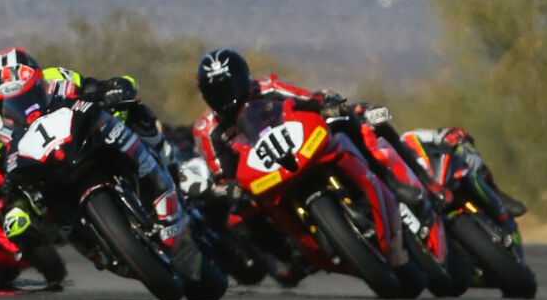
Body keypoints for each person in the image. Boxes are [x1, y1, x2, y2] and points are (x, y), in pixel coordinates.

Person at [0, 47, 184, 249]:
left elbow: (95, 87)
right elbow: (6, 177)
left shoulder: (57, 77)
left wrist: (115, 88)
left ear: (37, 79)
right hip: (40, 170)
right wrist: (18, 209)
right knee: (23, 217)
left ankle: (168, 160)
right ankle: (84, 240)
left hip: (81, 138)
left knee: (132, 110)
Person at [188, 47, 439, 209]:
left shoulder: (267, 86)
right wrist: (225, 190)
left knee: (353, 118)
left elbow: (308, 100)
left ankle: (391, 180)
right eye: (218, 91)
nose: (229, 96)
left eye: (232, 85)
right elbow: (221, 174)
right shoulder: (206, 130)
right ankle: (285, 258)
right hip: (263, 179)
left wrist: (327, 104)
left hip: (299, 144)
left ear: (246, 76)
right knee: (237, 216)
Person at [406, 126, 527, 218]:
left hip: (451, 174)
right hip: (431, 200)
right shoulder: (392, 168)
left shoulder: (410, 137)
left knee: (466, 154)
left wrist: (454, 135)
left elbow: (444, 134)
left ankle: (495, 193)